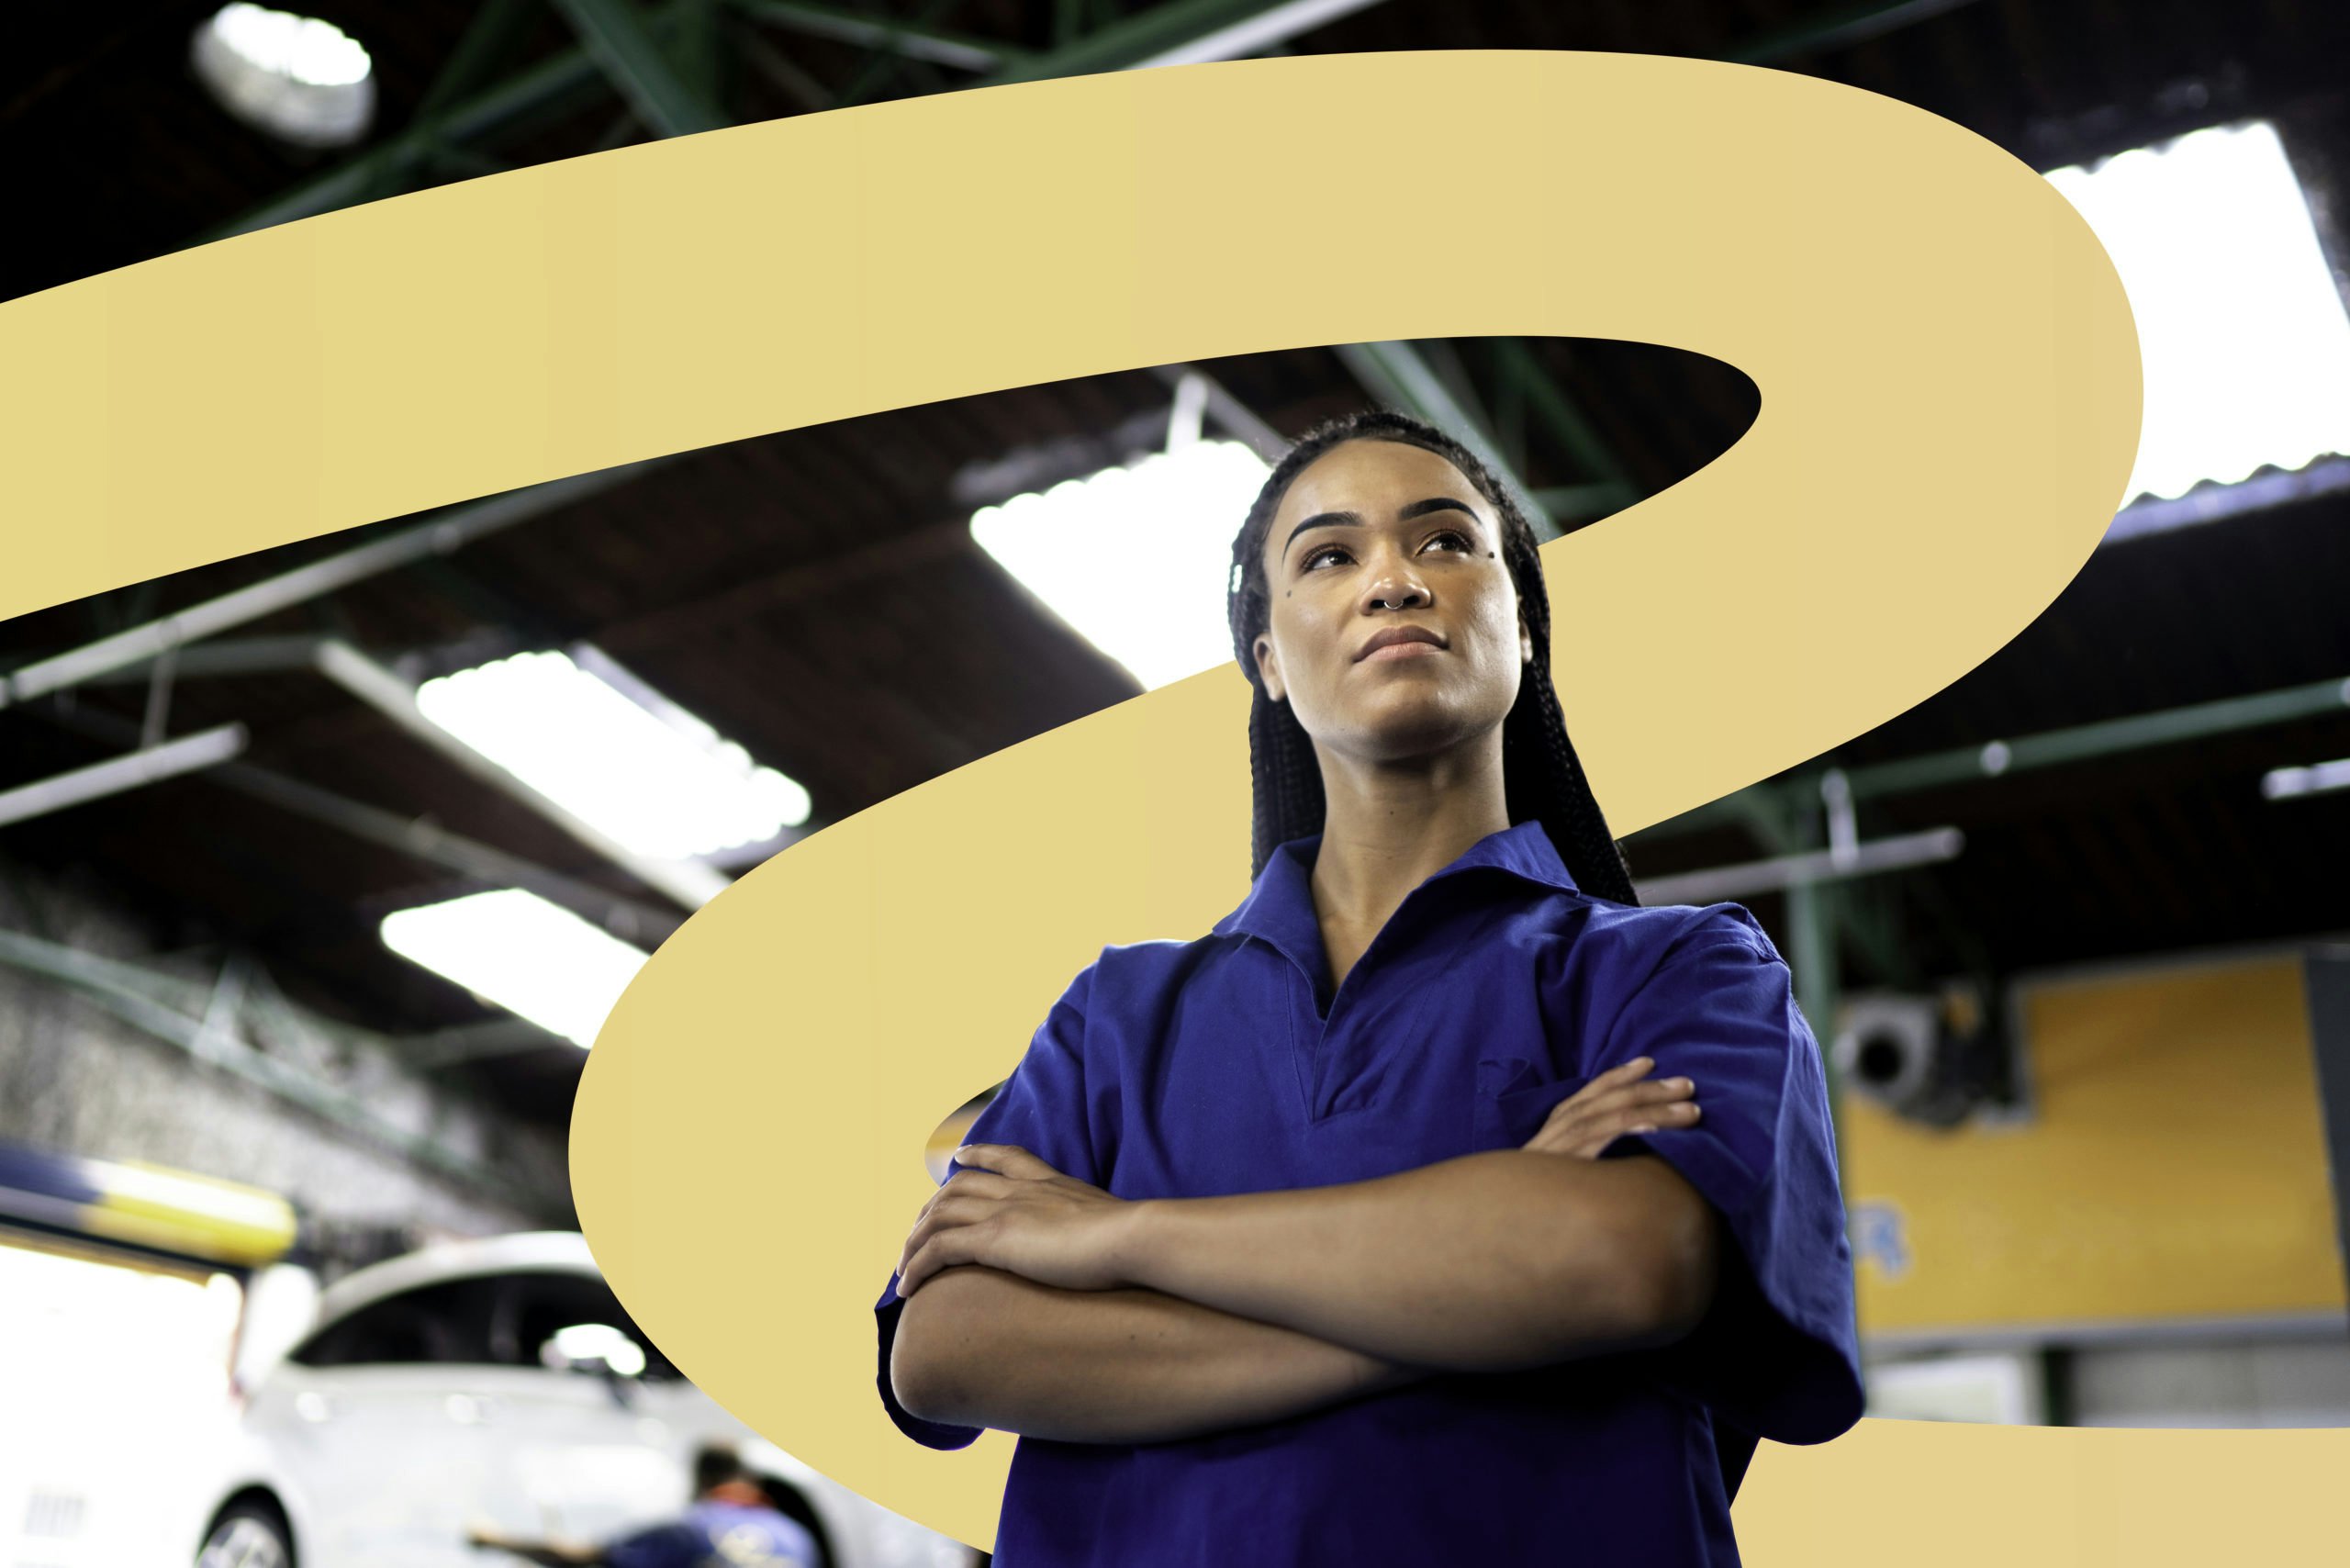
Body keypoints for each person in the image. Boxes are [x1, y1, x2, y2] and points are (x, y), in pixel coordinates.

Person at [874, 409, 1863, 1566]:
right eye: (1329, 555)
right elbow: (948, 1346)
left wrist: (1114, 1237)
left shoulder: (1680, 970)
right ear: (1269, 663)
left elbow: (1623, 1262)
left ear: (1523, 628)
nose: (1393, 578)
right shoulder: (1114, 1015)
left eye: (1446, 541)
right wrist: (1477, 1289)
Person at [468, 1442, 820, 1567]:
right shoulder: (798, 1538)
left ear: (703, 1481)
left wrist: (493, 1539)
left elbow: (579, 1557)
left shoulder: (691, 1528)